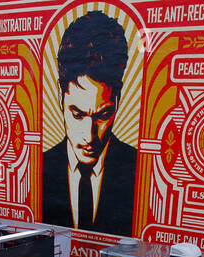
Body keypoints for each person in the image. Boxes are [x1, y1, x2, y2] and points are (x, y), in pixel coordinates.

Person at [41, 11, 137, 235]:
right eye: (77, 114)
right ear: (59, 96)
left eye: (102, 115)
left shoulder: (138, 172)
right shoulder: (41, 169)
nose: (89, 136)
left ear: (118, 100)